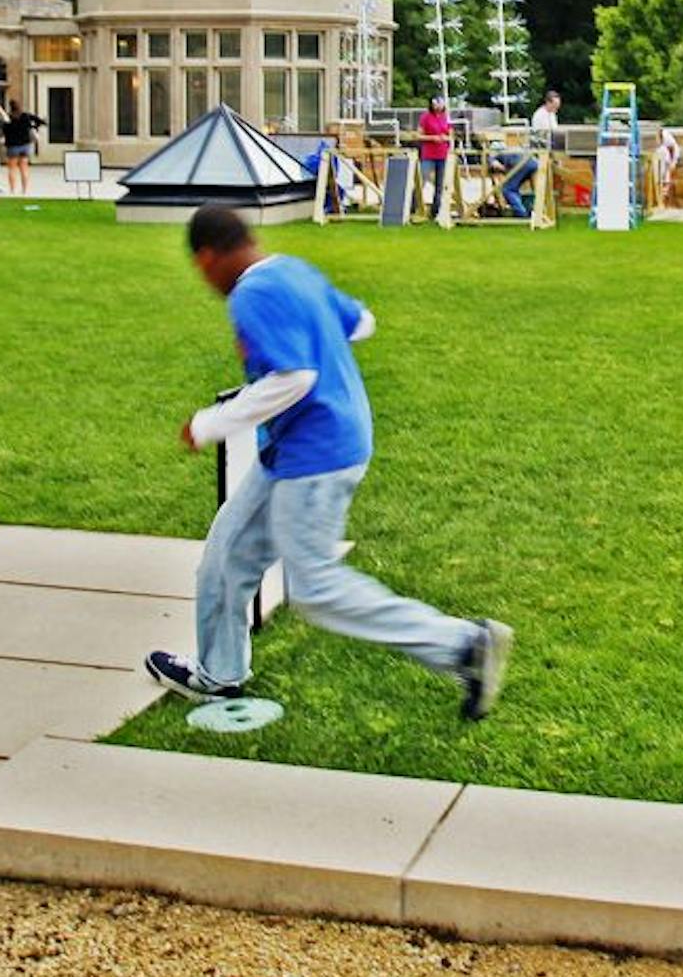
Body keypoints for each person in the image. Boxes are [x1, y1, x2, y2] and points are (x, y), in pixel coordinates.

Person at [146, 203, 513, 717]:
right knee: (226, 556)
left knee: (315, 587)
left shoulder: (251, 294)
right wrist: (311, 325)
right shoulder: (293, 271)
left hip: (316, 457)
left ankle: (462, 645)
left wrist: (209, 424)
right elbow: (362, 322)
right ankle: (219, 674)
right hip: (297, 448)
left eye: (200, 270)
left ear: (207, 258)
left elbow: (295, 379)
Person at [496, 90, 560, 219]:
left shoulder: (552, 115)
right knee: (522, 186)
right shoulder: (539, 116)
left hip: (530, 159)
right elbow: (540, 137)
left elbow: (554, 134)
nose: (556, 109)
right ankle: (536, 210)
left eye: (557, 106)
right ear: (547, 102)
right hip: (535, 156)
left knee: (508, 189)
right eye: (554, 106)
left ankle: (523, 214)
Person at [417, 96, 454, 220]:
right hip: (428, 153)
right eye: (435, 104)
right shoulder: (425, 117)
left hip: (442, 154)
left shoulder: (446, 117)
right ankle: (415, 207)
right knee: (423, 178)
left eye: (440, 104)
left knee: (440, 184)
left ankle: (436, 211)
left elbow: (451, 135)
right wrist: (432, 138)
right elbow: (419, 135)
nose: (438, 106)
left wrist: (445, 138)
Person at [1, 99, 43, 194]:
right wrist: (34, 127)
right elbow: (41, 121)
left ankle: (12, 190)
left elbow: (4, 130)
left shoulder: (8, 118)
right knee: (24, 168)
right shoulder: (26, 116)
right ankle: (24, 190)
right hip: (25, 144)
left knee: (12, 169)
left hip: (12, 145)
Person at [653, 126, 683, 211]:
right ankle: (662, 203)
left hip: (665, 167)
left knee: (665, 183)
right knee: (664, 183)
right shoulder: (662, 149)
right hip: (663, 167)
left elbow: (669, 158)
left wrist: (672, 164)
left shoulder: (665, 149)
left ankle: (663, 203)